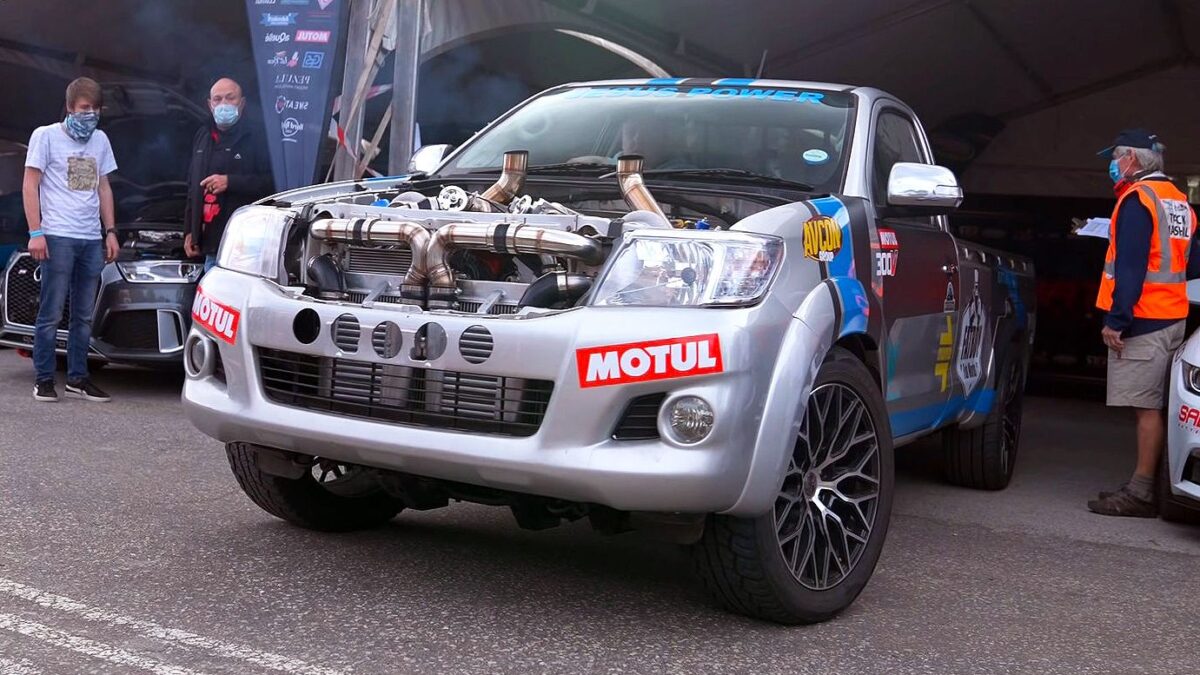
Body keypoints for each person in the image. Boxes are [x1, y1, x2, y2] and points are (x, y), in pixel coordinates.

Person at [1089, 129, 1198, 517]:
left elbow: (1131, 267)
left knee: (1145, 408)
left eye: (1116, 157)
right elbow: (1192, 263)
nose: (1113, 164)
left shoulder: (1138, 200)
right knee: (1158, 406)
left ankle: (1141, 492)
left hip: (1144, 318)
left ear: (1132, 159)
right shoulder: (1178, 200)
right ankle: (1146, 485)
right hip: (1173, 315)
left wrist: (1117, 320)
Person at [22, 77, 119, 403]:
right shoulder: (46, 136)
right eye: (84, 108)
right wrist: (36, 232)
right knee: (50, 312)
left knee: (83, 315)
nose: (90, 115)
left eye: (95, 109)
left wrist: (110, 231)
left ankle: (78, 378)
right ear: (69, 107)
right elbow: (30, 184)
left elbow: (103, 187)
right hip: (58, 235)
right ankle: (44, 378)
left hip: (90, 237)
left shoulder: (100, 140)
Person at [183, 77, 273, 271]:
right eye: (217, 99)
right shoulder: (203, 135)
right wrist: (191, 230)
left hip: (247, 245)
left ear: (242, 103)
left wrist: (230, 182)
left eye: (230, 98)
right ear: (210, 105)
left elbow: (272, 184)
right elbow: (192, 187)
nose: (223, 104)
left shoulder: (258, 137)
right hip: (211, 245)